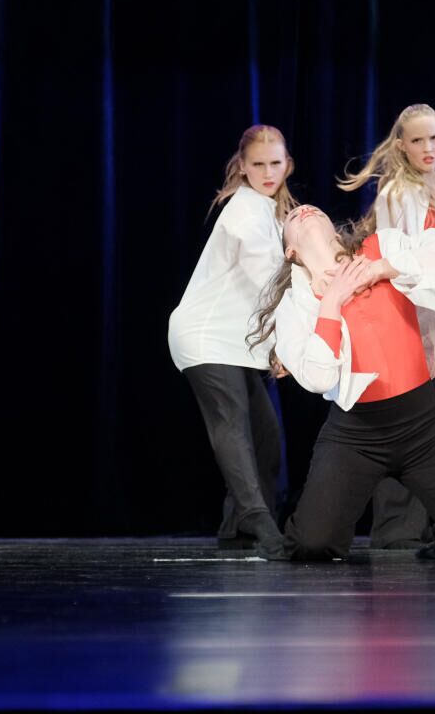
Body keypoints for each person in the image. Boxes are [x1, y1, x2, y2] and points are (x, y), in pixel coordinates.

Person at [248, 204, 435, 561]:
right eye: (292, 217)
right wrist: (331, 301)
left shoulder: (381, 246)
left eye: (311, 208)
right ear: (290, 250)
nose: (302, 210)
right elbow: (319, 378)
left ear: (334, 227)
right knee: (312, 544)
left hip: (424, 427)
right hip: (355, 435)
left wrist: (380, 268)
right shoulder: (295, 304)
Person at [335, 104, 435, 548]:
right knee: (403, 416)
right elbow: (397, 257)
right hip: (403, 312)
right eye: (417, 140)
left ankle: (417, 525)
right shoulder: (399, 191)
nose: (428, 147)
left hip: (428, 311)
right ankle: (397, 530)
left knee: (419, 421)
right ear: (401, 146)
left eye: (434, 138)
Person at [167, 124, 298, 553]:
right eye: (258, 164)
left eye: (275, 163)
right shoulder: (245, 211)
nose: (267, 173)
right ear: (242, 166)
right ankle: (261, 525)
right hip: (206, 335)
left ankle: (237, 527)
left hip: (237, 342)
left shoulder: (267, 210)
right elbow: (268, 284)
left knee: (266, 436)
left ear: (288, 164)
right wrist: (286, 342)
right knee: (233, 425)